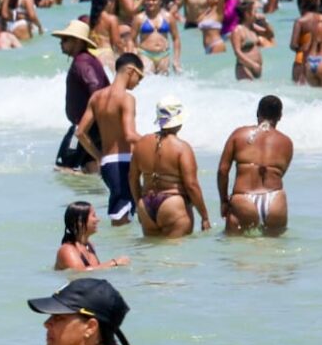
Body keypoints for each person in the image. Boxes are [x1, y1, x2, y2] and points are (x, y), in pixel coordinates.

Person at [76, 53, 144, 225]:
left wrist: (99, 156)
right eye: (140, 76)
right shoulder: (127, 98)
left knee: (121, 213)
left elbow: (80, 133)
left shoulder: (97, 97)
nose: (139, 82)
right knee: (122, 219)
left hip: (107, 164)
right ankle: (122, 250)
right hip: (123, 162)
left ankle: (123, 249)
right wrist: (154, 141)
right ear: (130, 70)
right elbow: (129, 134)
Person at [131, 95, 211, 238]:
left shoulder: (141, 143)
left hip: (146, 205)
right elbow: (191, 185)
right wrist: (204, 216)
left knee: (151, 256)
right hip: (172, 204)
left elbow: (132, 178)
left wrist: (139, 205)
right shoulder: (182, 148)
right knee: (175, 258)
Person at [218, 94, 292, 235]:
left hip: (244, 199)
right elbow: (280, 173)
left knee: (236, 253)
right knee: (274, 252)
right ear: (280, 116)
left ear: (257, 112)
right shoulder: (286, 142)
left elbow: (223, 171)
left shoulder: (239, 135)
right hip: (275, 200)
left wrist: (224, 201)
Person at [52, 20, 109, 174]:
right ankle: (96, 196)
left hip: (85, 127)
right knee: (91, 167)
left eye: (65, 40)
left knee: (63, 169)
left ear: (77, 41)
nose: (61, 43)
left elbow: (96, 90)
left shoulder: (82, 62)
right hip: (94, 127)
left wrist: (88, 124)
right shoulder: (87, 59)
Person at [55, 202, 129, 271]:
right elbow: (80, 273)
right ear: (80, 222)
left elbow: (94, 271)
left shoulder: (89, 245)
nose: (98, 220)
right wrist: (114, 263)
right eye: (93, 216)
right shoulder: (67, 250)